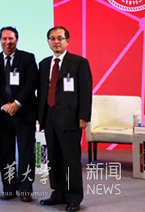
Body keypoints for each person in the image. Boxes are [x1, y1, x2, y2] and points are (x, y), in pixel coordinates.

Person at [38, 27, 92, 212]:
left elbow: (85, 91)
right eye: (52, 38)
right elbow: (42, 92)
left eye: (60, 38)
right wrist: (40, 117)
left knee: (71, 159)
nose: (56, 42)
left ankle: (74, 197)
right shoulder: (44, 64)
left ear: (67, 41)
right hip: (49, 116)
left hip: (70, 118)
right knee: (53, 158)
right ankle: (58, 193)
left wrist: (84, 116)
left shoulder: (78, 62)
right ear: (48, 42)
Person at [0, 26, 39, 202]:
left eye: (11, 39)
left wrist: (17, 103)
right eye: (4, 39)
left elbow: (32, 83)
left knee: (26, 153)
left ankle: (25, 189)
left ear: (17, 40)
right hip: (3, 114)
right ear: (0, 40)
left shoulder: (27, 58)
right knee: (5, 153)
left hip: (24, 113)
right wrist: (4, 105)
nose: (7, 42)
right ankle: (9, 188)